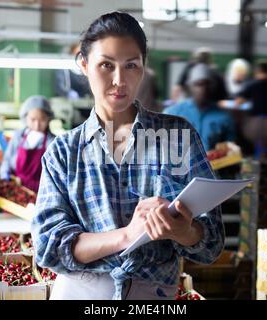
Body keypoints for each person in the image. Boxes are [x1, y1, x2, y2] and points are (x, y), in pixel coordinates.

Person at [31, 12, 224, 300]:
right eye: (106, 65)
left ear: (143, 69)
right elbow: (48, 247)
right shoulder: (63, 153)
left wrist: (183, 231)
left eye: (131, 65)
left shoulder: (178, 137)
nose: (119, 80)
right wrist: (128, 234)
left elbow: (212, 244)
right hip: (83, 292)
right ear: (84, 65)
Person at [164, 63, 235, 151]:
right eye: (198, 84)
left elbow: (230, 151)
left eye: (207, 84)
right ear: (190, 86)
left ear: (213, 86)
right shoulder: (172, 114)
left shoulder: (224, 118)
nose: (203, 89)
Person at [0, 95, 56, 192]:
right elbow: (7, 159)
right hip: (15, 191)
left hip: (40, 194)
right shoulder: (19, 137)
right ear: (26, 118)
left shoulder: (53, 143)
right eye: (33, 120)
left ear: (48, 119)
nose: (37, 125)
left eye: (42, 119)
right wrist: (4, 174)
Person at [234, 59, 267, 154]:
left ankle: (250, 158)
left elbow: (238, 101)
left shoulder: (252, 86)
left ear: (257, 71)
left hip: (255, 127)